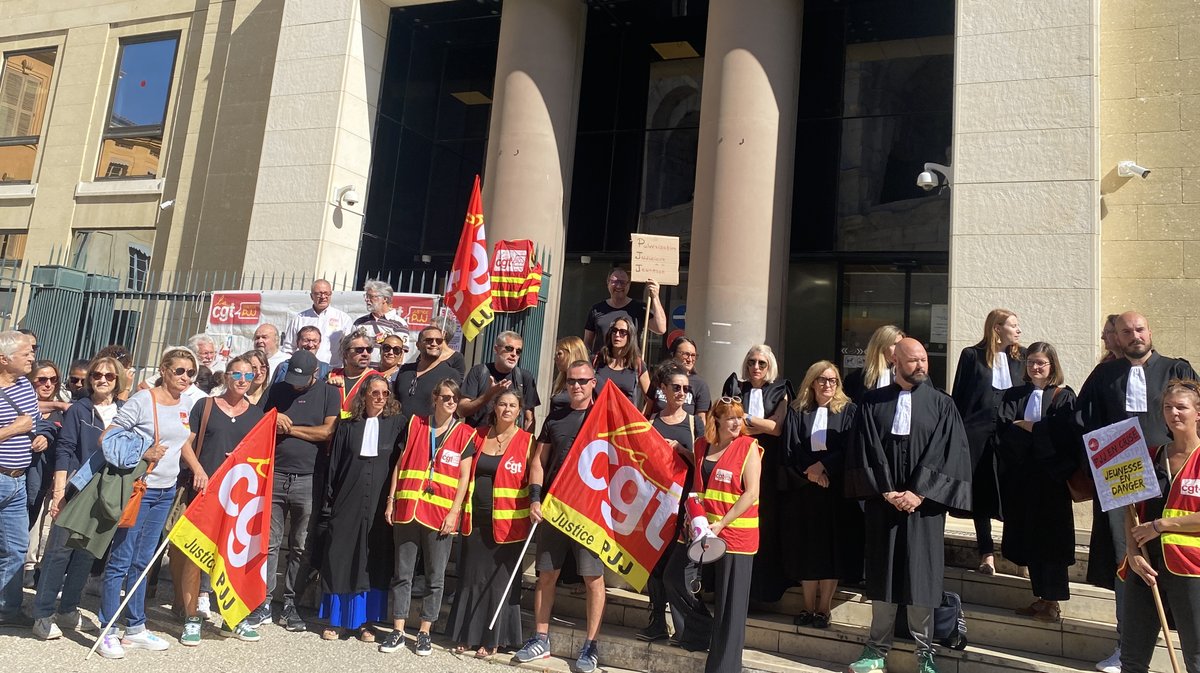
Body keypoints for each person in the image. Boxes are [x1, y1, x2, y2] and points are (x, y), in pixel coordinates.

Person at [844, 337, 972, 673]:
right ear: (895, 361)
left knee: (922, 577)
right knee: (883, 575)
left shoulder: (943, 405)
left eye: (924, 360)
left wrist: (919, 492)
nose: (921, 366)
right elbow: (866, 447)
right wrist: (886, 490)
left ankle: (924, 652)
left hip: (925, 507)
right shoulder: (872, 403)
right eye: (913, 360)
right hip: (883, 505)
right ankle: (876, 649)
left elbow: (947, 453)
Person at [1077, 311, 1196, 673]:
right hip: (1123, 481)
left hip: (1171, 477)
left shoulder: (1177, 369)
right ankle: (1124, 642)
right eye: (1126, 331)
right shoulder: (1103, 374)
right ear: (1117, 336)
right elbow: (1086, 421)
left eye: (1139, 329)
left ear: (1150, 331)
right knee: (1126, 561)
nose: (1134, 336)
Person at [95, 346, 198, 659]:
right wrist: (141, 454)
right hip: (140, 488)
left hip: (166, 490)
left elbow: (182, 444)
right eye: (179, 370)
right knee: (121, 560)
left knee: (143, 562)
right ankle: (108, 629)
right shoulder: (144, 399)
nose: (185, 377)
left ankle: (135, 626)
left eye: (190, 372)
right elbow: (107, 438)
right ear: (164, 370)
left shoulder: (186, 404)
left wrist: (198, 470)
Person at [515, 360, 605, 673]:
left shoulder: (605, 416)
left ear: (594, 382)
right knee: (547, 574)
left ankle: (591, 645)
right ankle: (541, 638)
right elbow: (539, 460)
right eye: (571, 382)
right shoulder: (556, 416)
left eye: (582, 381)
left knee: (593, 578)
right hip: (554, 507)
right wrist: (535, 498)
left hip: (589, 512)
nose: (576, 386)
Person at [30, 356, 124, 640]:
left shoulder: (124, 412)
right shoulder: (79, 409)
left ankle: (68, 609)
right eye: (97, 375)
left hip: (105, 492)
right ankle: (43, 613)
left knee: (86, 554)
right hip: (75, 488)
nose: (102, 380)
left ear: (117, 379)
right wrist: (59, 492)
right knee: (59, 553)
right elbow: (65, 450)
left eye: (109, 376)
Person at [173, 356, 265, 646]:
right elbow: (185, 442)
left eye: (248, 376)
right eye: (236, 374)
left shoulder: (257, 415)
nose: (242, 380)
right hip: (204, 492)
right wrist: (198, 469)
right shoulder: (206, 406)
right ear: (226, 376)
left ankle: (232, 619)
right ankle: (191, 618)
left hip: (238, 498)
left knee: (233, 559)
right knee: (194, 556)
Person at [381, 379, 475, 656]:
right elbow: (399, 464)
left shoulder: (464, 434)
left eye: (454, 399)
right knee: (402, 574)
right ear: (434, 398)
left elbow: (464, 478)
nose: (449, 402)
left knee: (435, 578)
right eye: (445, 397)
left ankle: (424, 632)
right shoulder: (415, 424)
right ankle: (398, 630)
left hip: (440, 515)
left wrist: (454, 512)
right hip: (408, 509)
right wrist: (391, 500)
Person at [249, 349, 339, 632]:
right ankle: (262, 602)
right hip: (274, 474)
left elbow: (326, 432)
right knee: (269, 543)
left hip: (309, 478)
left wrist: (290, 429)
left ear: (316, 373)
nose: (295, 384)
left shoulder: (328, 393)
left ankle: (291, 603)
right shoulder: (277, 390)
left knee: (301, 545)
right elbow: (257, 423)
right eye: (293, 378)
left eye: (302, 379)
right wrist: (272, 421)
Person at [671, 397, 762, 673]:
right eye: (731, 417)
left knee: (730, 605)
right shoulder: (701, 446)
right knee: (674, 577)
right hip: (700, 531)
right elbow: (700, 485)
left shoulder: (749, 447)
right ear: (717, 420)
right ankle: (700, 631)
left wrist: (722, 523)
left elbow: (752, 493)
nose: (737, 422)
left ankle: (724, 667)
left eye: (739, 417)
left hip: (735, 534)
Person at [994, 342, 1079, 623]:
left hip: (1052, 481)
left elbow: (1066, 434)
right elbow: (1004, 430)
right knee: (1030, 540)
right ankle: (1040, 597)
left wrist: (1031, 428)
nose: (1035, 367)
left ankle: (1053, 601)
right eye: (1031, 362)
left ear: (1052, 365)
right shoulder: (1014, 395)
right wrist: (1036, 432)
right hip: (1023, 480)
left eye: (1041, 362)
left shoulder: (1064, 397)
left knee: (1051, 542)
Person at [447, 389, 533, 657]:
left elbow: (537, 478)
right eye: (502, 404)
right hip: (476, 521)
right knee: (471, 579)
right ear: (495, 408)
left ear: (520, 412)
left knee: (498, 584)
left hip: (509, 527)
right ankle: (468, 635)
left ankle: (493, 639)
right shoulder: (478, 435)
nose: (507, 409)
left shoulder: (528, 441)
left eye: (513, 405)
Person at [1122, 379, 1200, 673]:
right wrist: (1132, 552)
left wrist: (1162, 524)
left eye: (1181, 407)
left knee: (1196, 657)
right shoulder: (1150, 455)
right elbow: (1128, 505)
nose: (1174, 413)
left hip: (1191, 569)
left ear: (1198, 413)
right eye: (1168, 407)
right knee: (1131, 658)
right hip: (1145, 566)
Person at [318, 375, 402, 642]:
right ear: (364, 394)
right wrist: (329, 502)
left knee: (373, 558)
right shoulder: (347, 425)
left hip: (379, 504)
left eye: (384, 393)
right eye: (374, 392)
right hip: (347, 500)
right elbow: (334, 466)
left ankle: (366, 622)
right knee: (341, 555)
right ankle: (337, 620)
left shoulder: (396, 425)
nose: (379, 398)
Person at [951, 309, 1024, 575]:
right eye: (1013, 325)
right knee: (981, 494)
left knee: (1012, 492)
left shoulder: (1022, 357)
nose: (1018, 330)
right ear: (997, 328)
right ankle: (986, 553)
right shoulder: (972, 356)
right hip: (977, 434)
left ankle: (1018, 552)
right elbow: (959, 397)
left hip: (1011, 436)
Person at [786, 360, 858, 628]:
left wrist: (824, 467)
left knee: (831, 549)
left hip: (835, 490)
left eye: (833, 380)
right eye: (822, 380)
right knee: (808, 548)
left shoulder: (849, 411)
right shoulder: (798, 410)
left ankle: (823, 608)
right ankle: (807, 606)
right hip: (806, 490)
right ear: (812, 382)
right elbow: (792, 445)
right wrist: (811, 471)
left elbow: (851, 446)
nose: (828, 385)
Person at [638, 362, 704, 643]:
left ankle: (687, 625)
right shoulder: (651, 421)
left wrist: (682, 451)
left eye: (685, 389)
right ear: (663, 389)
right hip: (657, 503)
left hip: (685, 506)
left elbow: (703, 463)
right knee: (655, 562)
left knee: (681, 566)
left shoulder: (694, 422)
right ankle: (656, 620)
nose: (681, 393)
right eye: (675, 387)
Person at [722, 344, 791, 602]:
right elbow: (729, 424)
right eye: (752, 362)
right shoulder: (736, 387)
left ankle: (763, 591)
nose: (756, 368)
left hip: (768, 464)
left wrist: (747, 419)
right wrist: (758, 424)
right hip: (738, 462)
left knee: (765, 522)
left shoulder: (781, 389)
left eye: (761, 363)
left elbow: (776, 427)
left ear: (769, 365)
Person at [0, 331, 39, 627]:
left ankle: (7, 610)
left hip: (18, 480)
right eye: (26, 354)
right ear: (4, 359)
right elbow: (20, 424)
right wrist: (14, 429)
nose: (32, 357)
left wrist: (40, 437)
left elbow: (34, 420)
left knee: (16, 548)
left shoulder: (26, 385)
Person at [25, 360, 63, 588]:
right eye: (42, 379)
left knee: (33, 524)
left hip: (43, 479)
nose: (48, 384)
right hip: (18, 475)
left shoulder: (65, 409)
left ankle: (29, 568)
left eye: (53, 380)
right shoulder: (21, 404)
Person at [459, 331, 539, 431]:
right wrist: (488, 395)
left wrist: (527, 443)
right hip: (478, 439)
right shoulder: (479, 371)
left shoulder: (524, 377)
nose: (514, 354)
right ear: (496, 349)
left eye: (518, 351)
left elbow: (529, 419)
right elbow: (461, 411)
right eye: (509, 349)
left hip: (510, 442)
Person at [582, 268, 665, 353]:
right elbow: (587, 342)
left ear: (629, 284)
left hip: (630, 364)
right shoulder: (596, 309)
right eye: (614, 281)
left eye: (623, 282)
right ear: (608, 282)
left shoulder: (639, 308)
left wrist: (655, 297)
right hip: (602, 364)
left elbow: (661, 329)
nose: (618, 286)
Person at [394, 326, 465, 419]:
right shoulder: (405, 370)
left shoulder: (450, 375)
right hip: (400, 430)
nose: (434, 344)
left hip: (429, 431)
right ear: (418, 345)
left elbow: (453, 409)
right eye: (429, 340)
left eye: (439, 341)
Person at [283, 279, 353, 366]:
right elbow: (288, 348)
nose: (323, 297)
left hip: (332, 371)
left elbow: (349, 349)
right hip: (303, 371)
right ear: (311, 296)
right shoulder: (300, 318)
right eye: (318, 293)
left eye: (326, 293)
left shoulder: (343, 319)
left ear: (331, 294)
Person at [646, 336, 712, 425]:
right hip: (656, 434)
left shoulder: (700, 385)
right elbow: (647, 410)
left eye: (693, 355)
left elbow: (701, 419)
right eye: (686, 354)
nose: (690, 359)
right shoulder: (659, 377)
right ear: (673, 355)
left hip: (684, 435)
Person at [593, 317, 650, 406]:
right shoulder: (598, 359)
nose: (617, 335)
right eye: (614, 331)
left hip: (626, 418)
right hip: (600, 416)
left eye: (622, 332)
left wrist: (643, 417)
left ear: (630, 336)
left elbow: (650, 399)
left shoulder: (637, 364)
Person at [327, 329, 382, 419]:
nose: (365, 354)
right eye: (359, 350)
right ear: (345, 354)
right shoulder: (331, 375)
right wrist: (327, 386)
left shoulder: (377, 379)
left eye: (369, 350)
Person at [353, 279, 410, 367]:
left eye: (371, 296)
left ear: (385, 299)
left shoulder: (399, 323)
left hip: (384, 376)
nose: (367, 300)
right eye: (366, 296)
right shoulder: (359, 322)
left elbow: (401, 355)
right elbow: (350, 349)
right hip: (360, 373)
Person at [844, 325, 904, 401]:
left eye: (901, 345)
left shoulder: (905, 377)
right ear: (881, 346)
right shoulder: (855, 378)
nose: (899, 349)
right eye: (895, 344)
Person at [549, 336, 589, 413]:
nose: (555, 358)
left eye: (559, 354)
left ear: (571, 354)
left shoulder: (590, 379)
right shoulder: (559, 382)